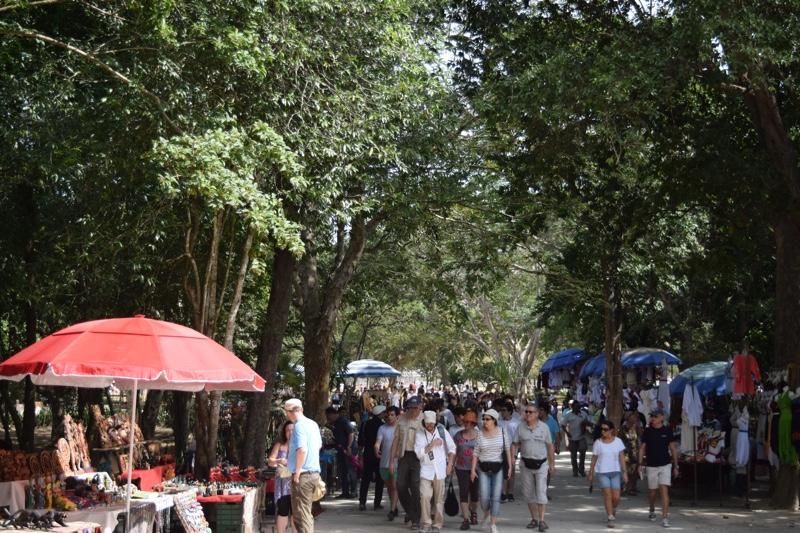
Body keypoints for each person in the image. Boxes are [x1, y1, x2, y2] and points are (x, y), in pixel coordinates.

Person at [511, 403, 555, 533]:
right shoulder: (521, 428)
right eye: (527, 412)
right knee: (528, 493)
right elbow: (514, 443)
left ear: (537, 414)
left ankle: (542, 521)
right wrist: (513, 457)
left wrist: (552, 464)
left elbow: (550, 445)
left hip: (541, 464)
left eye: (531, 412)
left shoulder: (544, 428)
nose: (528, 414)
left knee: (541, 492)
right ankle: (534, 519)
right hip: (525, 464)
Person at [470, 409, 512, 533]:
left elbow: (507, 450)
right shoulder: (479, 433)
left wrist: (509, 466)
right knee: (484, 496)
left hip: (498, 467)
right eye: (483, 419)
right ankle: (486, 515)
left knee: (495, 496)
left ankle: (493, 524)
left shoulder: (502, 432)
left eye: (487, 419)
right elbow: (476, 452)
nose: (484, 421)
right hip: (483, 467)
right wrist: (473, 470)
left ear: (494, 420)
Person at [285, 399, 322, 533]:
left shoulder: (299, 426)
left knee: (302, 516)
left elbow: (302, 449)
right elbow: (318, 446)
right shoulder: (312, 424)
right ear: (301, 409)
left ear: (287, 412)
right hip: (312, 474)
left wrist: (298, 470)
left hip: (304, 476)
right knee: (305, 514)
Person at [415, 410, 456, 533]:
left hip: (440, 470)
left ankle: (437, 524)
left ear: (435, 422)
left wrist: (450, 464)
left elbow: (452, 448)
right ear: (424, 423)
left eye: (432, 423)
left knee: (438, 500)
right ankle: (426, 524)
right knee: (425, 497)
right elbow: (418, 453)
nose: (430, 425)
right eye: (427, 423)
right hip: (426, 471)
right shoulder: (420, 435)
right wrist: (432, 444)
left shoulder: (442, 432)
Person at [637, 408, 679, 528]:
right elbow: (642, 448)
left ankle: (665, 517)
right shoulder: (648, 431)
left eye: (655, 416)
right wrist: (640, 464)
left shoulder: (667, 431)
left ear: (662, 418)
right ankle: (652, 509)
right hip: (651, 465)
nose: (653, 418)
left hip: (665, 464)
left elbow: (673, 449)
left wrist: (676, 466)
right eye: (652, 416)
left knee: (663, 489)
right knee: (652, 491)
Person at [390, 395, 424, 530]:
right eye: (411, 408)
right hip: (405, 455)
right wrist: (391, 461)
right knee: (400, 485)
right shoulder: (402, 419)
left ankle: (415, 519)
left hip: (419, 457)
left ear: (420, 406)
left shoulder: (425, 419)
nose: (413, 410)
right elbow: (396, 441)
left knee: (416, 487)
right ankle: (411, 511)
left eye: (416, 408)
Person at [587, 420, 627, 528]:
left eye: (606, 429)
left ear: (611, 430)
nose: (603, 431)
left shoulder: (618, 442)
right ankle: (610, 516)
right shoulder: (598, 443)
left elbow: (622, 458)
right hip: (602, 472)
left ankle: (613, 509)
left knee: (616, 497)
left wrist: (625, 472)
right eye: (602, 429)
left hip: (615, 471)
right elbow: (594, 458)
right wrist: (590, 472)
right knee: (607, 495)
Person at [267, 421, 297, 533]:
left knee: (295, 512)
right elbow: (270, 462)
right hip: (283, 484)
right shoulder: (279, 445)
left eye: (292, 430)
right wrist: (278, 460)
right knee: (283, 510)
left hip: (296, 481)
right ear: (284, 432)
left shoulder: (300, 445)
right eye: (288, 430)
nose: (290, 432)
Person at [454, 410, 480, 530]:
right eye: (465, 421)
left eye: (469, 422)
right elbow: (453, 451)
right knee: (464, 493)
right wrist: (450, 464)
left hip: (477, 468)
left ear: (474, 423)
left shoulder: (480, 435)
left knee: (474, 494)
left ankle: (473, 512)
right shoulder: (458, 435)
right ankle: (465, 519)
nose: (466, 424)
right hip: (461, 467)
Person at [359, 405, 386, 511]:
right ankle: (377, 503)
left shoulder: (365, 424)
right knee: (379, 479)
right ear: (380, 414)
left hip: (368, 454)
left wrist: (360, 455)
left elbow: (361, 441)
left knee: (366, 478)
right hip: (380, 455)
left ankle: (362, 502)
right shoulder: (383, 426)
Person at [326, 406, 357, 498]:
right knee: (343, 471)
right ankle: (345, 491)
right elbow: (339, 432)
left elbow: (351, 433)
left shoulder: (343, 421)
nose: (327, 418)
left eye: (328, 416)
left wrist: (349, 447)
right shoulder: (336, 423)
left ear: (332, 414)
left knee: (350, 470)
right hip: (340, 449)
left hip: (347, 449)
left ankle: (354, 491)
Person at [376, 406, 400, 521]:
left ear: (397, 416)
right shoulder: (382, 428)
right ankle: (393, 506)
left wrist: (399, 452)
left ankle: (392, 510)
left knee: (395, 485)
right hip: (384, 461)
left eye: (392, 415)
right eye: (388, 415)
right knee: (390, 486)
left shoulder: (401, 428)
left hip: (396, 462)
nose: (389, 417)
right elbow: (378, 442)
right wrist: (376, 449)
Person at [561, 401, 591, 477]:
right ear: (572, 407)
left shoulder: (583, 414)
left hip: (581, 436)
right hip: (572, 437)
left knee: (583, 452)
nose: (578, 408)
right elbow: (563, 425)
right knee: (573, 455)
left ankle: (582, 469)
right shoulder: (568, 415)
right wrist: (567, 433)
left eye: (579, 407)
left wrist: (586, 424)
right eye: (576, 407)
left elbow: (589, 423)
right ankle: (575, 470)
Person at [498, 401, 521, 503]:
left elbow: (519, 438)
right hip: (500, 450)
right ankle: (503, 492)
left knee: (511, 471)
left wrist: (518, 449)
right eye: (501, 410)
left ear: (510, 411)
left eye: (504, 410)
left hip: (512, 450)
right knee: (502, 471)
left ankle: (510, 491)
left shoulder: (517, 423)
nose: (502, 412)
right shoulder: (498, 422)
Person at [537, 402, 560, 497]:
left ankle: (544, 492)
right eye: (538, 410)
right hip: (535, 452)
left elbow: (557, 435)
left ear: (546, 411)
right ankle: (537, 491)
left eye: (541, 410)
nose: (539, 412)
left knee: (547, 473)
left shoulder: (552, 422)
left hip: (547, 452)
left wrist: (557, 446)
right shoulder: (534, 421)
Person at [619, 411, 642, 495]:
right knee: (625, 470)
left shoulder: (635, 428)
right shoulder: (623, 429)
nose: (635, 419)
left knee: (632, 471)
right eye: (633, 417)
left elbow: (639, 438)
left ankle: (630, 487)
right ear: (628, 419)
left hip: (634, 452)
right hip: (625, 452)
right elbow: (619, 441)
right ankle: (621, 487)